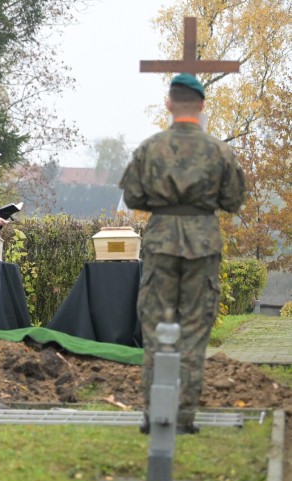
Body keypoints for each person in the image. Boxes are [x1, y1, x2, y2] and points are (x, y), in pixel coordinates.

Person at [119, 73, 246, 434]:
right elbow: (234, 201)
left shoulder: (150, 148)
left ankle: (153, 413)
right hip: (203, 242)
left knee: (156, 325)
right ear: (202, 105)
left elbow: (132, 197)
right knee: (194, 327)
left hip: (160, 241)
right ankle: (184, 415)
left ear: (169, 103)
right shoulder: (220, 151)